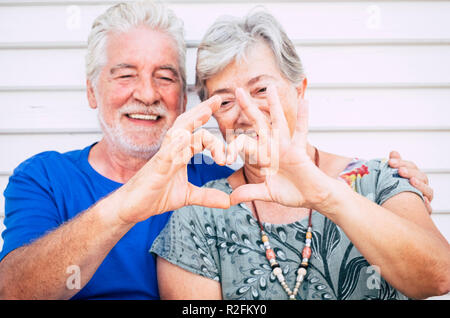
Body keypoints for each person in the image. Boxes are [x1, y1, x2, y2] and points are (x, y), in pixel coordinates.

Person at [0, 1, 434, 300]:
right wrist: (126, 206)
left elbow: (432, 270)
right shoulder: (44, 177)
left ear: (186, 102)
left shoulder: (222, 178)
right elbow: (13, 291)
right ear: (91, 91)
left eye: (166, 77)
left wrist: (392, 186)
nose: (147, 93)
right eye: (125, 74)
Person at [151, 10, 450, 300]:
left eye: (261, 90)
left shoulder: (381, 179)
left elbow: (439, 277)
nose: (248, 113)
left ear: (299, 89)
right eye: (226, 101)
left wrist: (325, 194)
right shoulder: (199, 215)